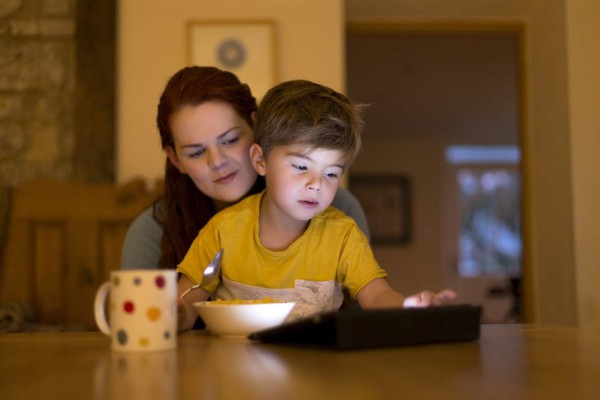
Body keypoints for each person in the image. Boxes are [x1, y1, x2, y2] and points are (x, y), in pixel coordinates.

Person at [176, 79, 456, 331]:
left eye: (331, 173)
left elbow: (377, 296)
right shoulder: (223, 230)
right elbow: (187, 304)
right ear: (260, 160)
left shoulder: (342, 235)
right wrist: (176, 313)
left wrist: (408, 309)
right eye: (300, 166)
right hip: (233, 372)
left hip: (316, 375)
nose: (316, 184)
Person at [120, 66, 370, 272]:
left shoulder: (339, 209)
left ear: (255, 128)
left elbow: (360, 316)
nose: (217, 161)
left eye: (230, 140)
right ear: (176, 160)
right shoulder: (151, 233)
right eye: (196, 152)